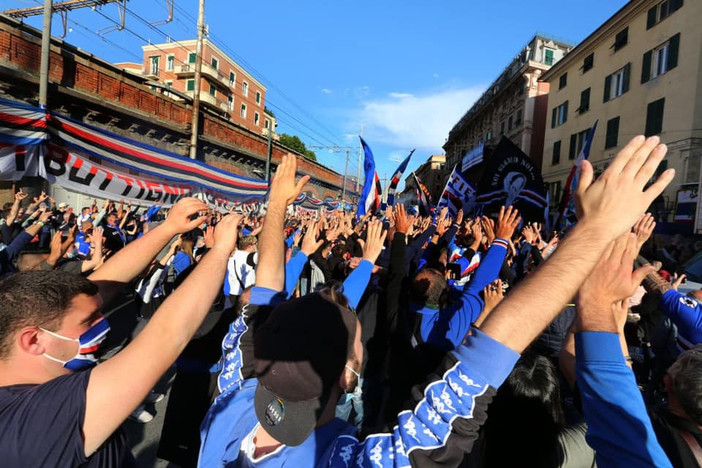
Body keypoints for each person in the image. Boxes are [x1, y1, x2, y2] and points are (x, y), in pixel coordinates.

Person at [199, 136, 676, 466]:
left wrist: (591, 236)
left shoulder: (229, 400)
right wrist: (592, 231)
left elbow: (263, 287)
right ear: (349, 374)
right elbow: (485, 358)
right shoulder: (357, 462)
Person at [0, 196, 244, 466]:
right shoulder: (38, 419)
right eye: (89, 320)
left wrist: (169, 227)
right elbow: (168, 334)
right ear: (34, 340)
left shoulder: (36, 354)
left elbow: (102, 284)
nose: (102, 324)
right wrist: (220, 251)